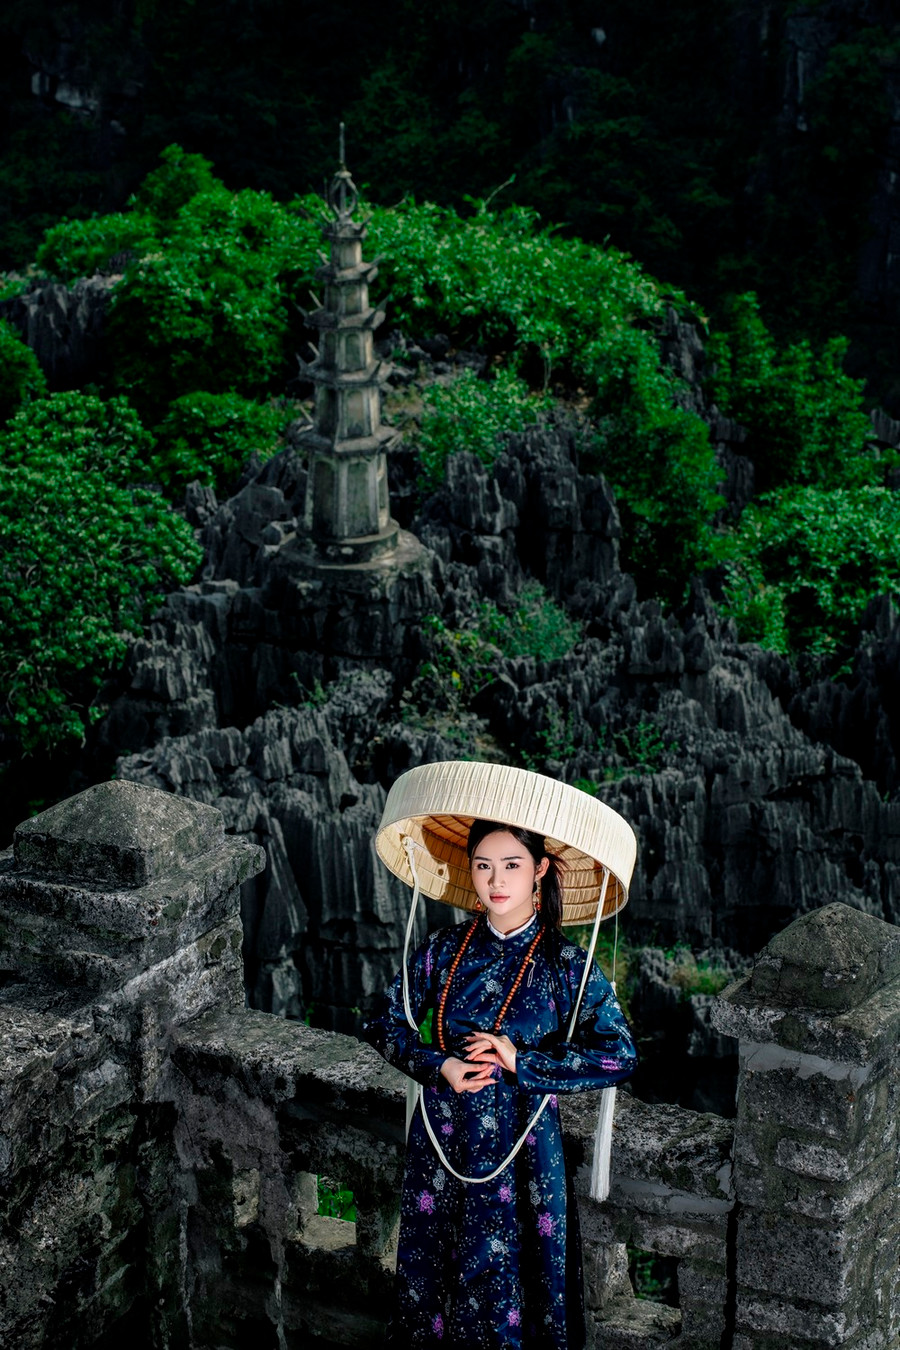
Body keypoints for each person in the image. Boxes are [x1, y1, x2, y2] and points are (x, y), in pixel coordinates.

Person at [364, 775, 638, 1350]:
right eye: (484, 865)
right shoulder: (445, 948)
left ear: (540, 870)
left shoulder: (566, 965)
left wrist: (524, 1062)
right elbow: (378, 1020)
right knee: (434, 1282)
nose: (495, 881)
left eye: (511, 865)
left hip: (525, 1156)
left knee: (517, 1292)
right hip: (442, 1143)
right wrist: (438, 1066)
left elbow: (619, 1055)